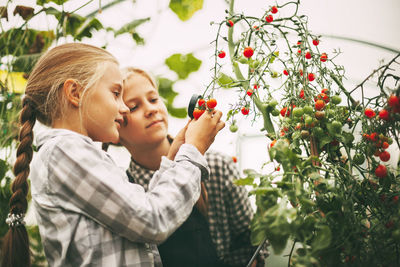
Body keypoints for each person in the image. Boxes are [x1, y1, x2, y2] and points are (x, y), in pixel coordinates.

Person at [1, 43, 225, 267]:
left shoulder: (74, 153)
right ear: (75, 93)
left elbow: (139, 208)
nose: (124, 108)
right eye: (116, 94)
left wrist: (174, 158)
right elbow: (151, 220)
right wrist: (193, 151)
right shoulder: (64, 152)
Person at [117, 67, 269, 267]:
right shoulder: (125, 190)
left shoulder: (216, 166)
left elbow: (251, 241)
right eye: (134, 107)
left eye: (153, 99)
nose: (151, 109)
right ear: (115, 127)